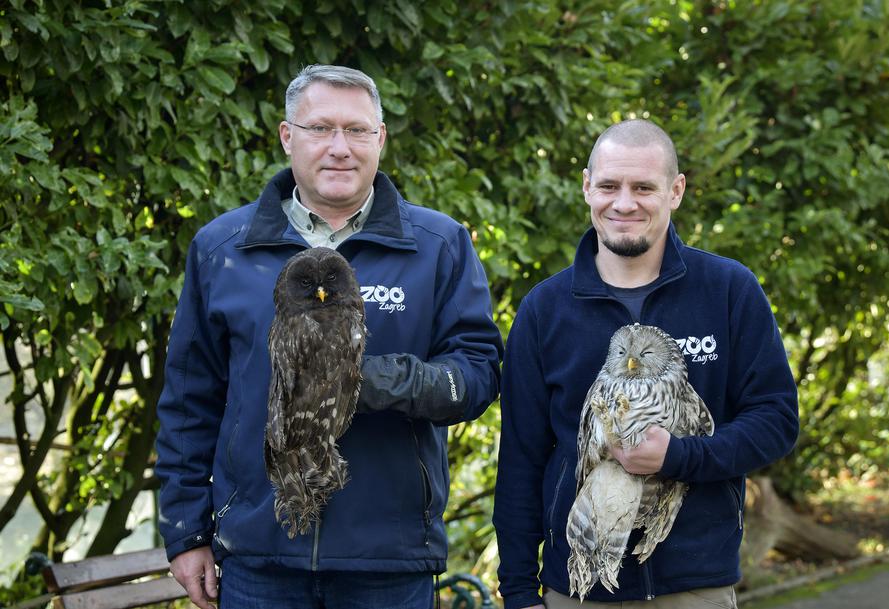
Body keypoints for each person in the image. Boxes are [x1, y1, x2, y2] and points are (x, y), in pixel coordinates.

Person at [154, 64, 503, 609]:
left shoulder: (439, 245)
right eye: (320, 128)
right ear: (288, 136)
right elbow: (188, 401)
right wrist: (186, 532)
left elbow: (478, 376)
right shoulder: (223, 247)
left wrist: (368, 382)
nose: (339, 147)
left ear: (380, 139)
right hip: (257, 556)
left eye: (357, 130)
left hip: (388, 559)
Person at [493, 119, 799, 609]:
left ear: (675, 191)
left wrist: (679, 457)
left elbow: (776, 421)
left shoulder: (728, 290)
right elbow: (521, 462)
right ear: (587, 187)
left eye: (643, 187)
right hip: (577, 588)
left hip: (695, 585)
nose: (624, 202)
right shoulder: (544, 309)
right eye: (610, 185)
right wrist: (519, 591)